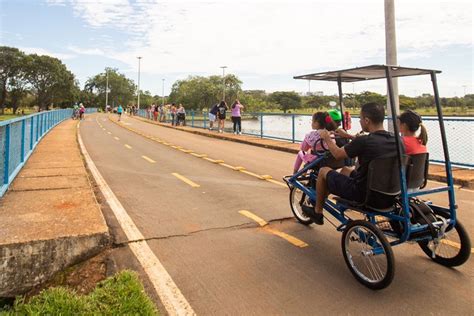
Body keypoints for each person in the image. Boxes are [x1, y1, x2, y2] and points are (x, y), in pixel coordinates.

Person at [307, 102, 398, 225]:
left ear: (367, 120)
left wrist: (327, 138)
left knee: (324, 170)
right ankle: (326, 195)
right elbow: (366, 143)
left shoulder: (364, 141)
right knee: (346, 169)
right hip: (389, 193)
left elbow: (338, 154)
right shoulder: (396, 140)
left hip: (363, 193)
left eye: (360, 118)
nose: (359, 121)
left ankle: (317, 211)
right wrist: (348, 136)